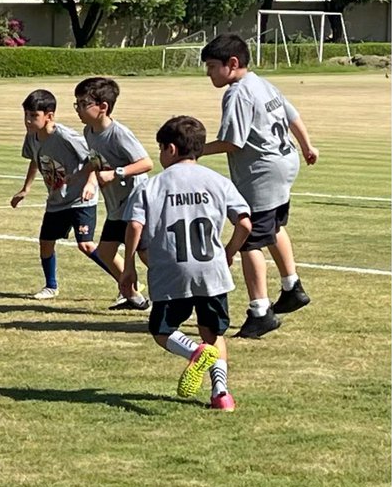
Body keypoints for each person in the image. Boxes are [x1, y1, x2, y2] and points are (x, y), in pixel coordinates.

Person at [121, 115, 252, 410]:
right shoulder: (218, 181)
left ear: (170, 148)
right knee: (213, 332)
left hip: (171, 269)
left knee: (162, 330)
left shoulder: (151, 186)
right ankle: (222, 394)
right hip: (212, 270)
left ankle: (193, 352)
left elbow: (134, 227)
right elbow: (244, 223)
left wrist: (129, 266)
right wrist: (229, 250)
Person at [199, 34, 319, 339]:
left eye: (212, 66)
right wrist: (307, 146)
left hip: (262, 173)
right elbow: (293, 116)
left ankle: (260, 311)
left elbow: (232, 142)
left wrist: (194, 151)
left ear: (233, 63)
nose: (209, 73)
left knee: (250, 239)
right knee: (274, 226)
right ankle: (292, 286)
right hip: (284, 162)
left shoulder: (238, 93)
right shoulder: (262, 83)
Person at [10, 89, 115, 300]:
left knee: (85, 244)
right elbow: (35, 159)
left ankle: (126, 283)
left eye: (34, 116)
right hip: (57, 200)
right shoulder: (32, 137)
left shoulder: (66, 136)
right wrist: (26, 188)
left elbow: (95, 158)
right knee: (46, 243)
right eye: (26, 115)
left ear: (49, 116)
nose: (28, 121)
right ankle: (51, 286)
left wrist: (91, 184)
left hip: (80, 198)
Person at [73, 76, 154, 311]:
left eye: (83, 103)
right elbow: (96, 160)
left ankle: (171, 295)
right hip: (116, 207)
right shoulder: (89, 131)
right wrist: (84, 176)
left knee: (147, 255)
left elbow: (146, 163)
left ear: (103, 107)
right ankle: (135, 297)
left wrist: (116, 173)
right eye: (76, 103)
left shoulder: (119, 134)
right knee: (107, 252)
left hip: (135, 204)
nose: (78, 108)